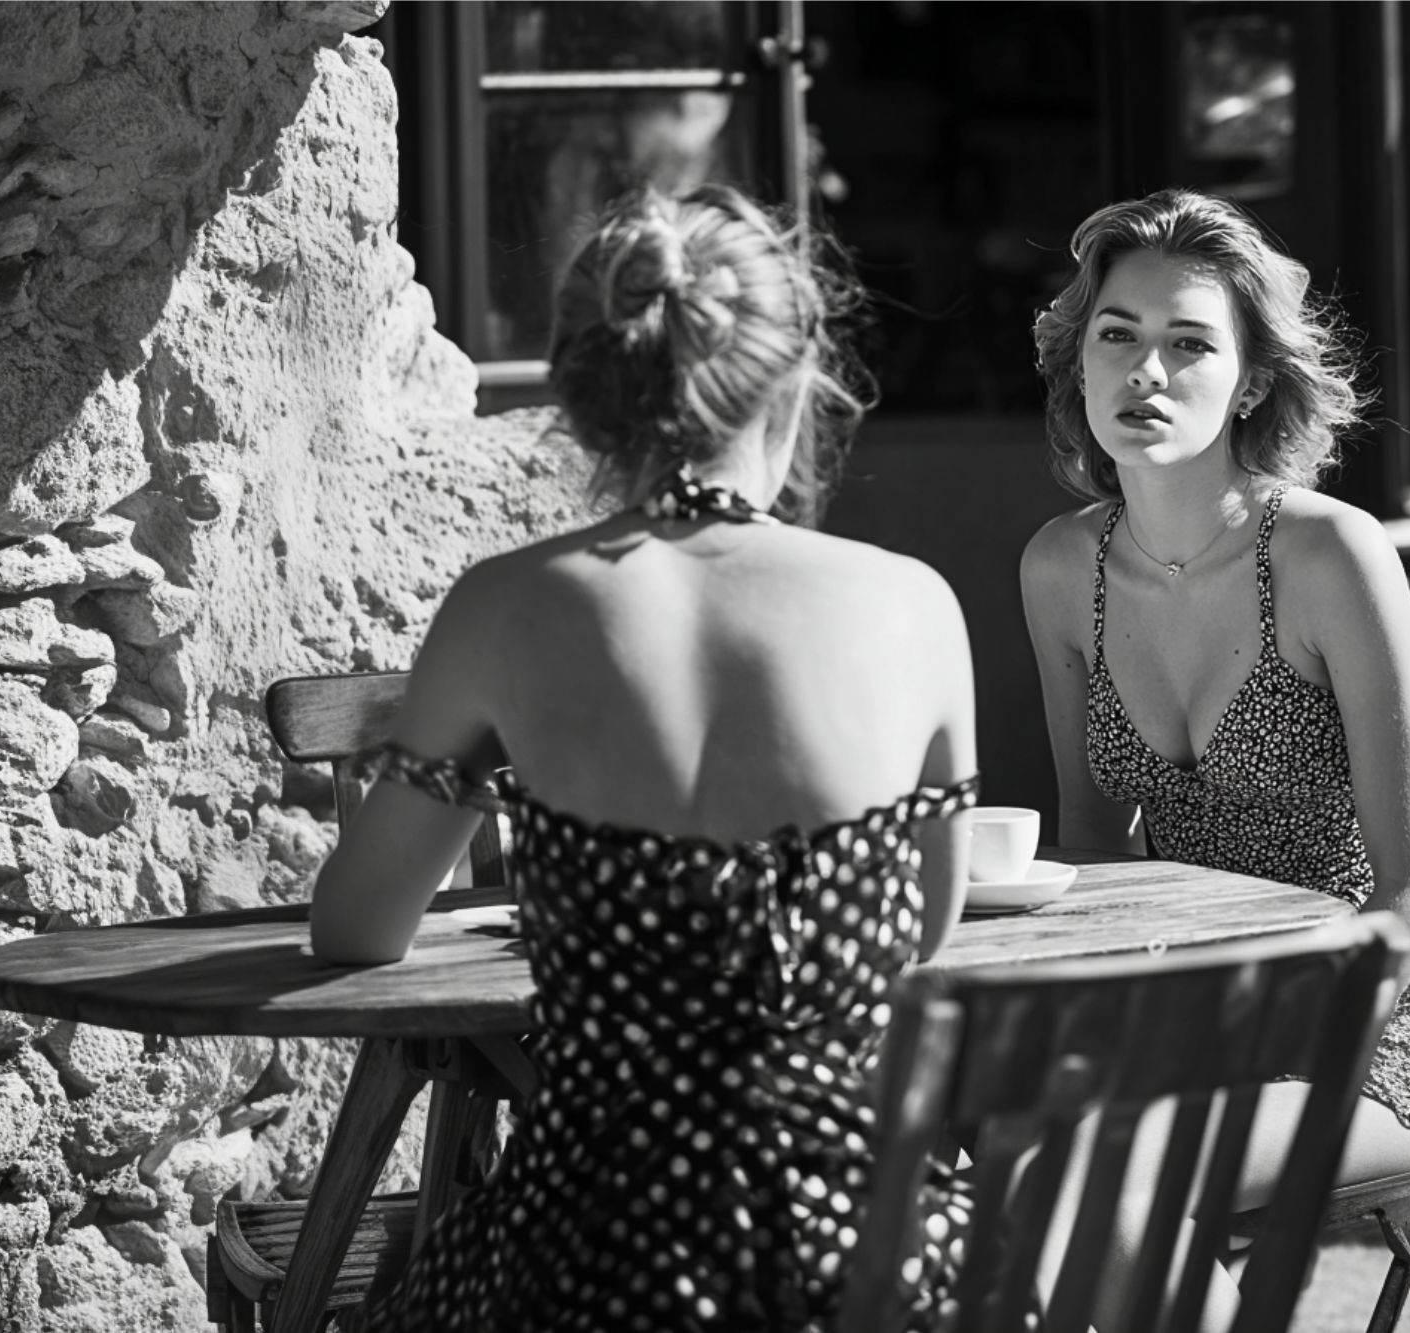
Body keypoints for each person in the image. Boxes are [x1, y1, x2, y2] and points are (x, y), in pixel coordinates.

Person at [308, 183, 980, 1332]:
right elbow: (921, 930)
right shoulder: (912, 605)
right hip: (868, 1256)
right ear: (800, 373)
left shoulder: (505, 609)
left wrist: (480, 765)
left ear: (578, 400)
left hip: (592, 1251)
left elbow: (356, 931)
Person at [1019, 188, 1410, 1329]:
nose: (1144, 371)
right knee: (987, 1138)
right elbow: (1094, 850)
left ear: (1250, 379)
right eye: (1117, 335)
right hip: (1198, 1012)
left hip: (1385, 1029)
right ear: (1080, 363)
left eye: (1188, 342)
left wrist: (1252, 1029)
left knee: (1096, 1170)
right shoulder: (1061, 569)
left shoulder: (1327, 554)